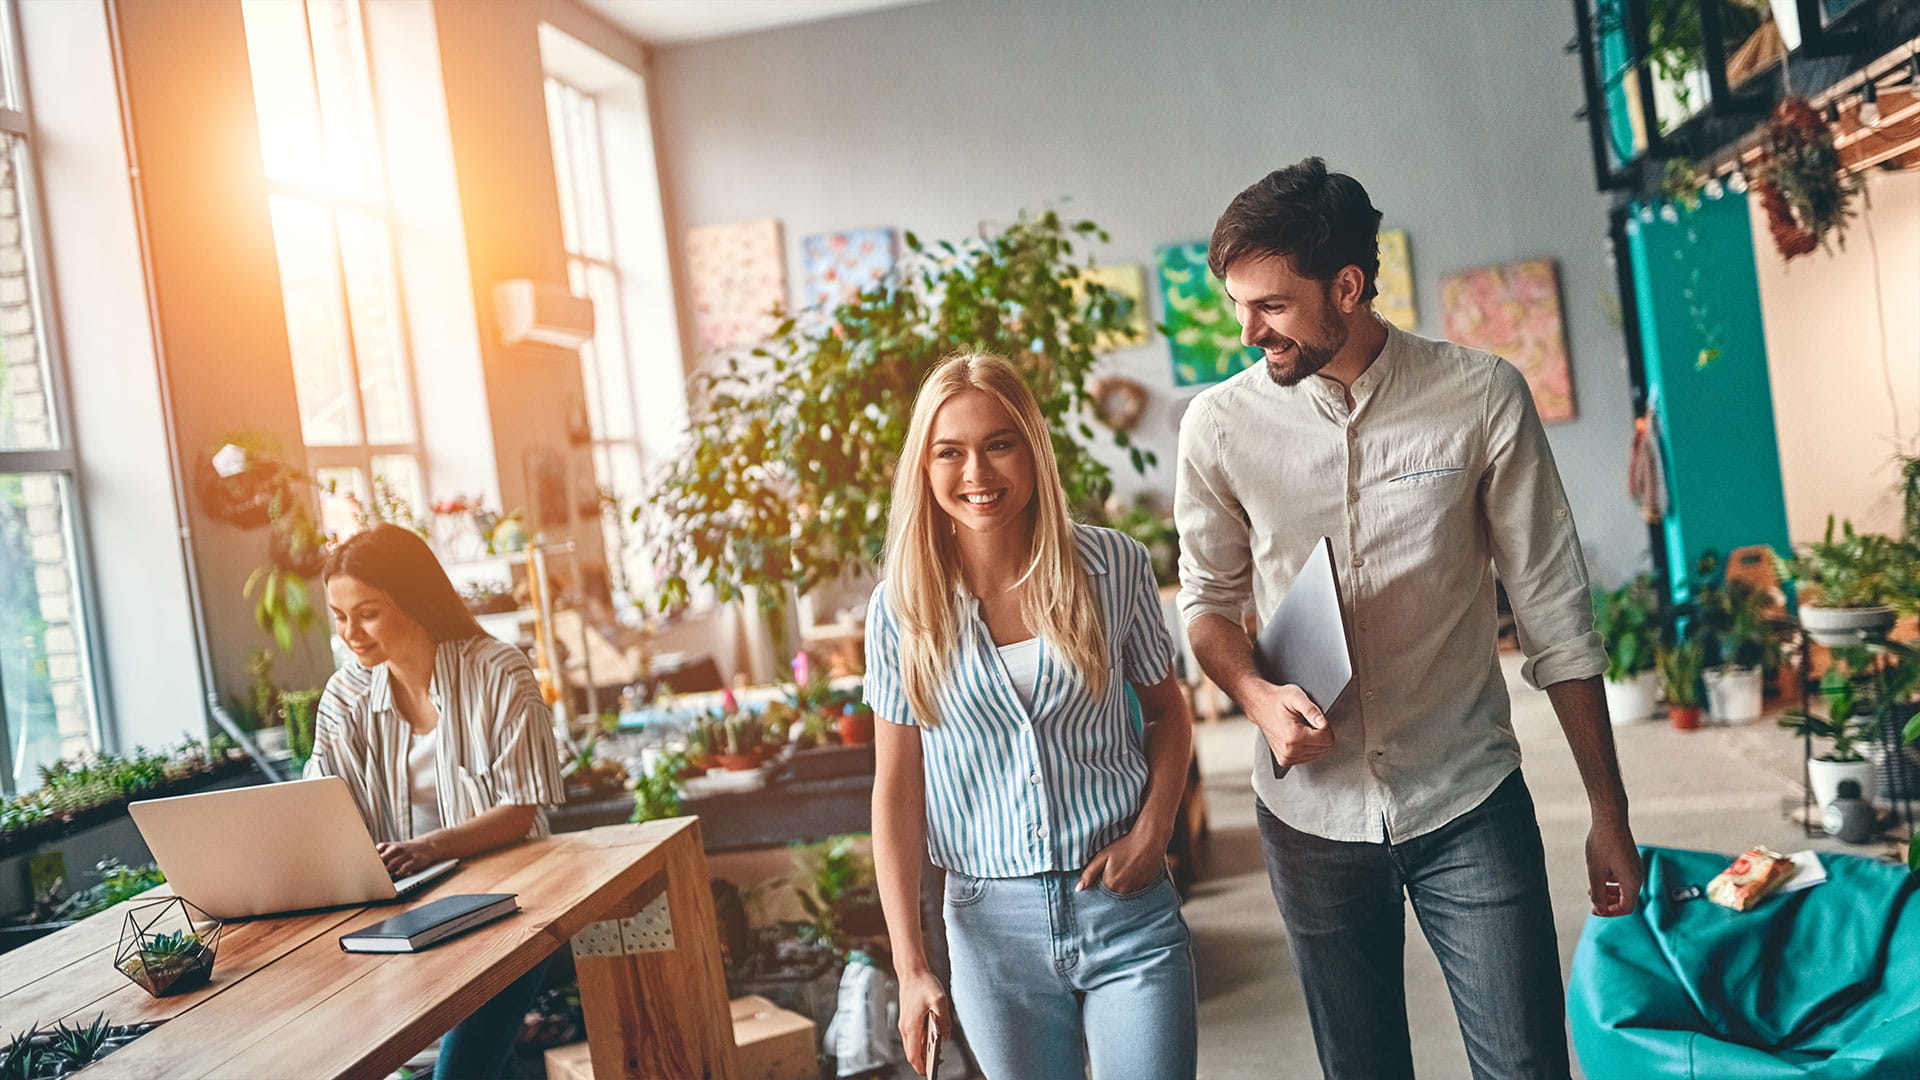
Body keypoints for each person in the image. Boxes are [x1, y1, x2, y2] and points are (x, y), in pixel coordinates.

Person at [1175, 158, 1642, 1080]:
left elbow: (1554, 610)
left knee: (1526, 1065)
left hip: (1466, 796)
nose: (1247, 331)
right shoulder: (1218, 426)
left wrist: (1608, 811)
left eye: (1270, 305)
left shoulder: (1480, 395)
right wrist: (1257, 697)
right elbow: (1208, 603)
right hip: (1309, 815)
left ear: (1347, 287)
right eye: (1239, 305)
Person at [867, 353, 1198, 1080]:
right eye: (949, 452)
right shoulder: (900, 607)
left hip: (1124, 905)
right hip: (990, 931)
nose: (976, 473)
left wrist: (1153, 834)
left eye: (999, 444)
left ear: (1033, 448)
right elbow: (896, 790)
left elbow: (1167, 714)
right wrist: (911, 966)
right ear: (923, 466)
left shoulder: (1113, 566)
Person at [305, 523, 566, 1080]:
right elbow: (323, 809)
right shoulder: (345, 697)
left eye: (367, 613)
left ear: (415, 600)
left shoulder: (497, 671)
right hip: (402, 917)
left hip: (510, 910)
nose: (351, 633)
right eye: (340, 616)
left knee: (459, 1072)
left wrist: (427, 848)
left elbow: (522, 809)